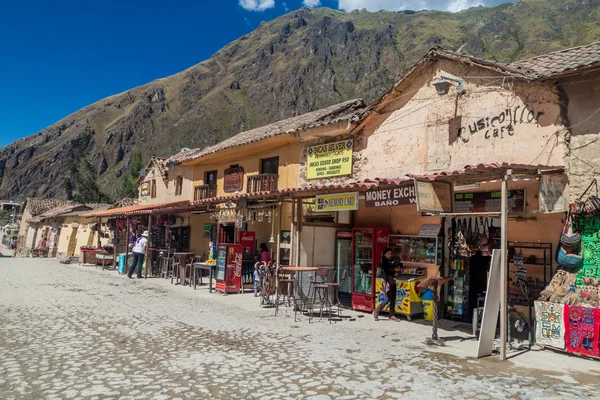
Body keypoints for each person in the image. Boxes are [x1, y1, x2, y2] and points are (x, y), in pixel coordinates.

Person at [373, 248, 402, 322]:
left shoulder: (393, 261)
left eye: (391, 254)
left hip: (393, 282)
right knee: (387, 299)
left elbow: (399, 266)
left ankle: (392, 315)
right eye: (388, 254)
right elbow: (387, 271)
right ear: (385, 255)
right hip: (387, 283)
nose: (390, 255)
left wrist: (398, 269)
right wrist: (394, 271)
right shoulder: (384, 263)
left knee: (393, 299)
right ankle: (377, 311)